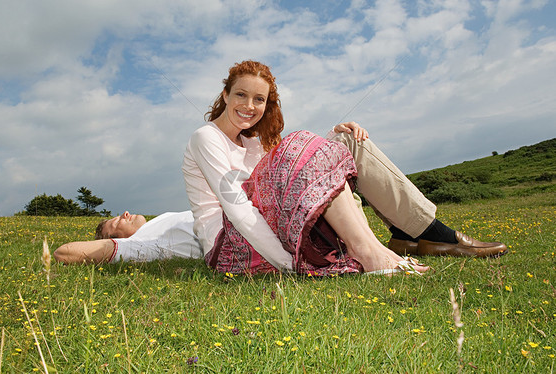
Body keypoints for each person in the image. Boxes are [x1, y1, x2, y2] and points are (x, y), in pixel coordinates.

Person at [182, 60, 506, 276]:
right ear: (225, 94)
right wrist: (288, 264)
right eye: (241, 95)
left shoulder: (253, 142)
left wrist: (334, 140)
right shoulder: (205, 137)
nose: (249, 106)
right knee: (300, 142)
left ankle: (417, 232)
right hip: (234, 244)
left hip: (276, 227)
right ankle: (372, 252)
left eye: (259, 99)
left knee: (347, 140)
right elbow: (239, 210)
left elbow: (294, 179)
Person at [53, 211, 201, 264]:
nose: (125, 213)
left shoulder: (156, 223)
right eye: (117, 222)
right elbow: (63, 252)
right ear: (117, 239)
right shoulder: (140, 244)